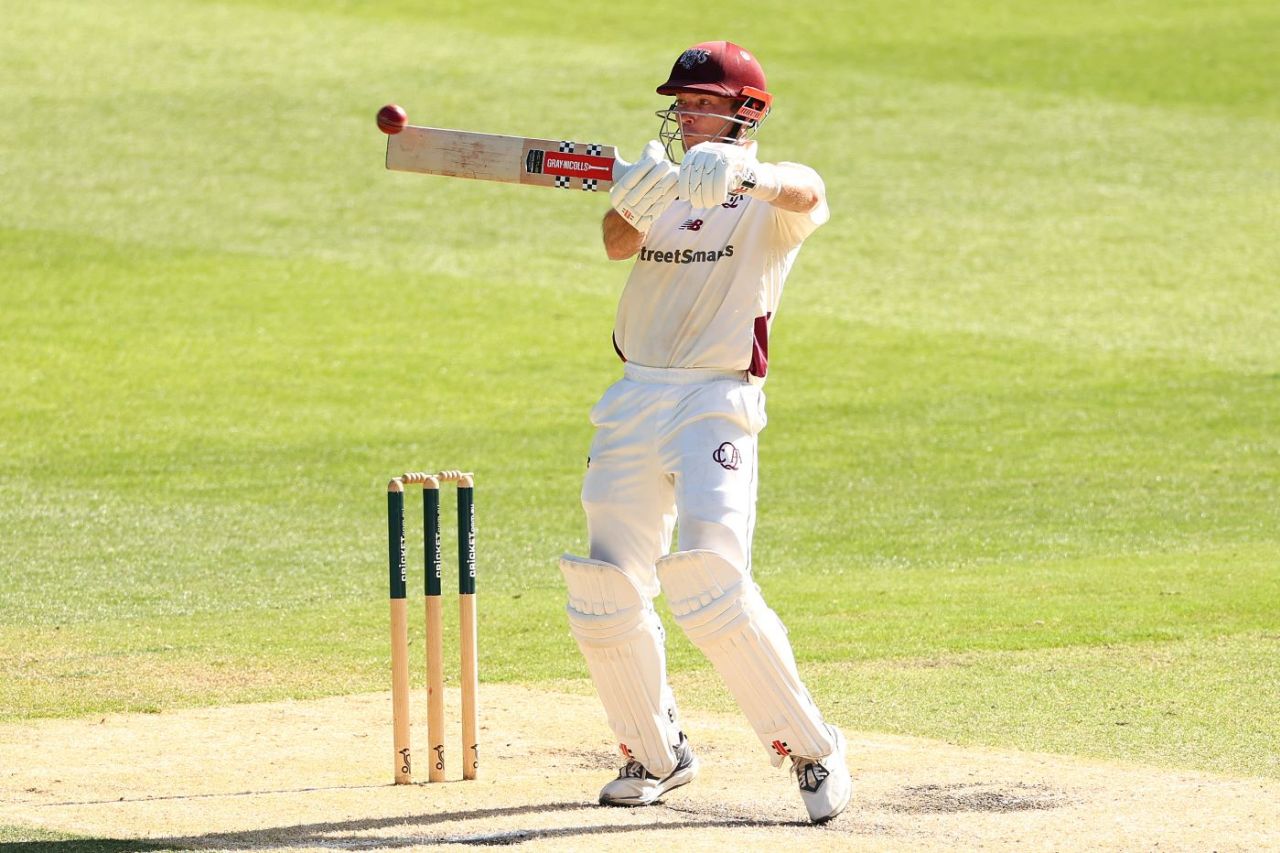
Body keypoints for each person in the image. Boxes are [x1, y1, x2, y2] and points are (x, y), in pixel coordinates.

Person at [557, 40, 852, 825]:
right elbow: (616, 244)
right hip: (633, 396)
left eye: (701, 103)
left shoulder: (768, 197)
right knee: (604, 589)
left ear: (745, 111)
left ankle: (812, 748)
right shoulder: (664, 177)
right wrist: (634, 202)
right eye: (680, 103)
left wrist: (747, 174)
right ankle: (655, 753)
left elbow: (811, 191)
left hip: (716, 400)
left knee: (711, 585)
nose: (685, 115)